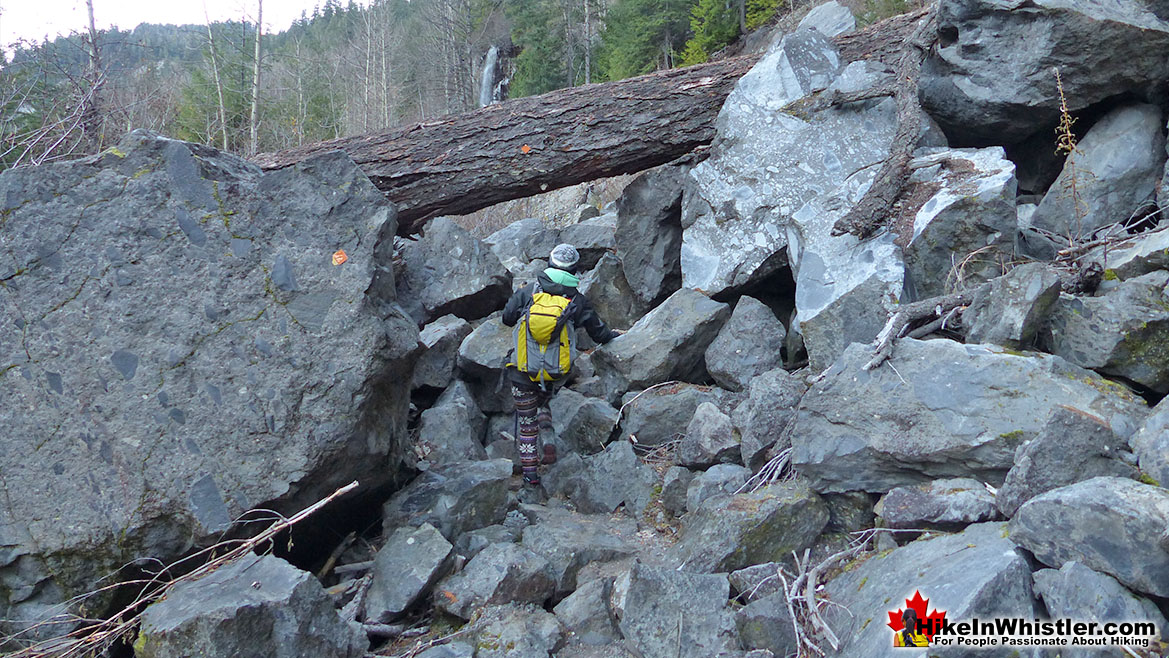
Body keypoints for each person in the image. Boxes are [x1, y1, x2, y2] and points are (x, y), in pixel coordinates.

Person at [501, 243, 620, 486]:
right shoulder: (577, 300)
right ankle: (549, 442)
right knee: (543, 398)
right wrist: (615, 336)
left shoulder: (529, 292)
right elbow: (599, 333)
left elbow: (506, 318)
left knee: (526, 425)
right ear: (574, 271)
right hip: (556, 373)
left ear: (549, 264)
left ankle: (531, 481)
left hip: (523, 372)